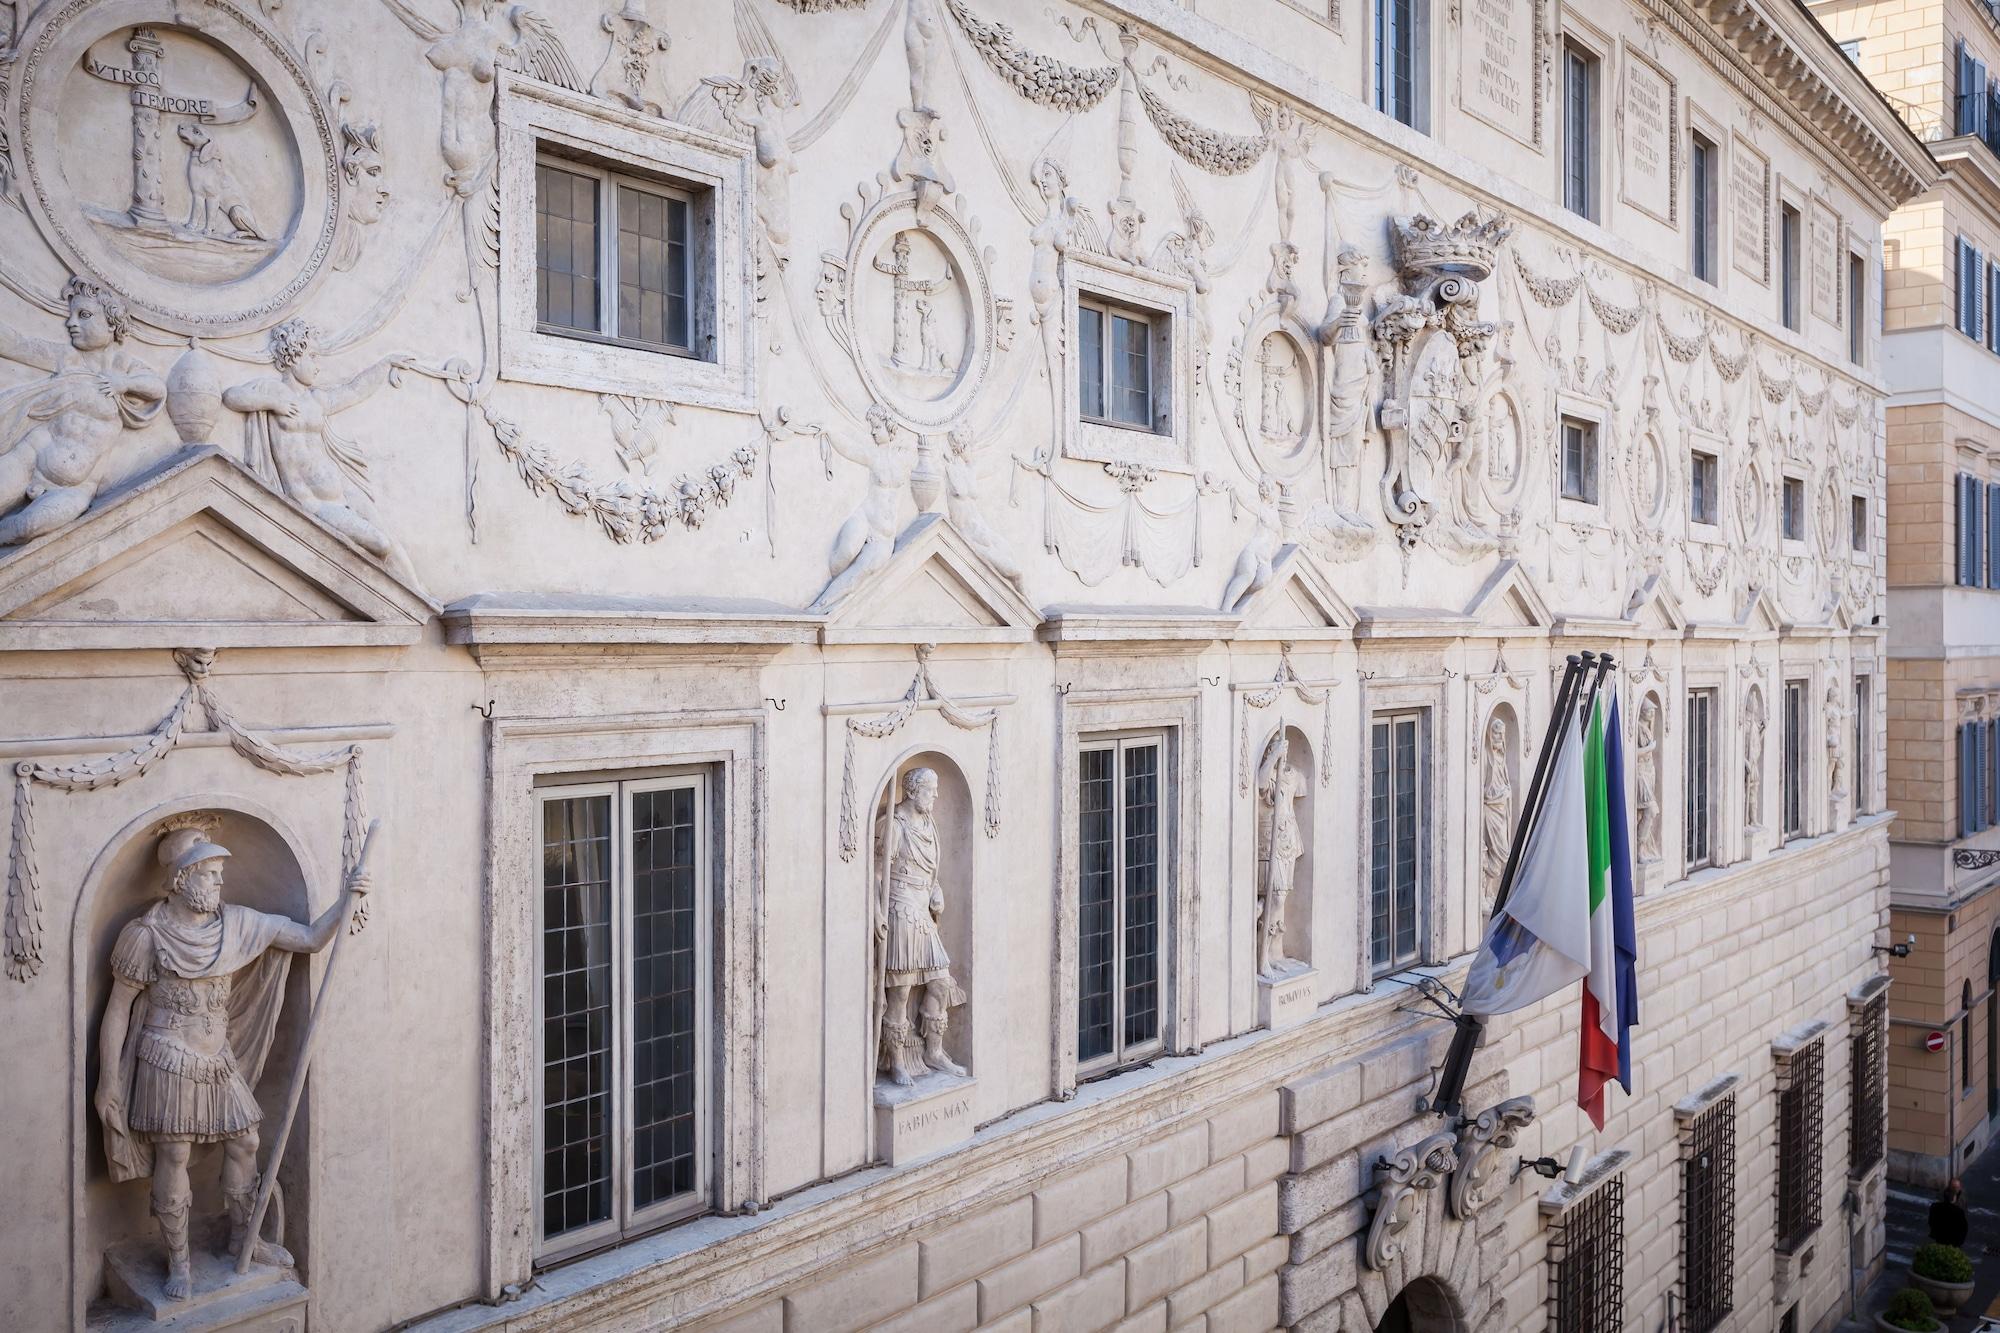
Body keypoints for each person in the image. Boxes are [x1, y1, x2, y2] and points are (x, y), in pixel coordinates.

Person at [96, 819, 368, 1300]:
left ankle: (245, 1237)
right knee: (174, 1153)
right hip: (166, 1055)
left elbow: (308, 939)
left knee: (245, 1141)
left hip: (217, 1057)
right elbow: (118, 1009)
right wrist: (108, 1084)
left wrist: (350, 899)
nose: (220, 881)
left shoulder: (238, 924)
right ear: (181, 879)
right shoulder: (146, 935)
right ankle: (178, 1262)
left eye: (221, 872)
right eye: (209, 873)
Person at [1931, 1178, 1970, 1247]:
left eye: (1957, 1187)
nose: (1956, 1189)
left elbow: (1965, 1214)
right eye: (1954, 1187)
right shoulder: (1941, 1197)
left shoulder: (1962, 1199)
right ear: (1950, 1187)